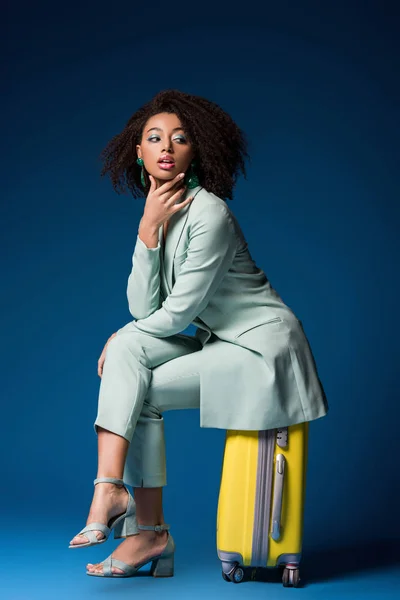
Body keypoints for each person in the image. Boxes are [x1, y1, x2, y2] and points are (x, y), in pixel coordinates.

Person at [69, 89, 329, 578]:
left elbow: (176, 314)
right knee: (131, 366)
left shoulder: (210, 214)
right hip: (221, 344)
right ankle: (127, 509)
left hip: (260, 347)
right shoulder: (160, 215)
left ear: (196, 152)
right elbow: (143, 307)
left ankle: (134, 519)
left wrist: (120, 333)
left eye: (180, 138)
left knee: (129, 354)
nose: (167, 146)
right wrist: (147, 236)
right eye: (154, 138)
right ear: (139, 153)